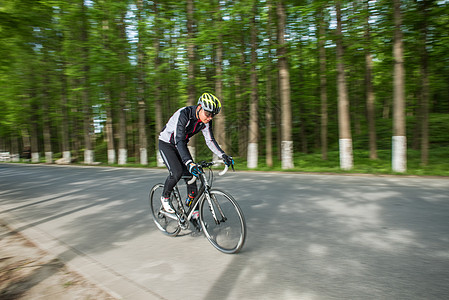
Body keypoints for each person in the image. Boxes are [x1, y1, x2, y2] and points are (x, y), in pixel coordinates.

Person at [158, 92, 234, 218]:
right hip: (167, 144)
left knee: (193, 175)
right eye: (208, 114)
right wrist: (188, 162)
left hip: (180, 146)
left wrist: (223, 155)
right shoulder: (184, 114)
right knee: (176, 172)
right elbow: (179, 140)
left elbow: (210, 140)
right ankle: (165, 197)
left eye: (212, 116)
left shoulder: (205, 121)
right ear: (199, 107)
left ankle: (192, 211)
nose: (209, 118)